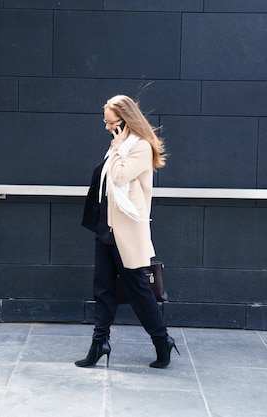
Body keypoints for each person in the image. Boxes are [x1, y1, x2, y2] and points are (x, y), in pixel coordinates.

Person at [76, 94, 178, 369]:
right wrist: (117, 145)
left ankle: (162, 340)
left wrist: (120, 145)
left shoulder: (140, 147)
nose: (107, 128)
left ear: (126, 120)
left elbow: (119, 176)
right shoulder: (116, 146)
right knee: (103, 290)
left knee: (139, 291)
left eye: (111, 123)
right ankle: (99, 344)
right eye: (106, 122)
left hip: (127, 233)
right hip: (106, 228)